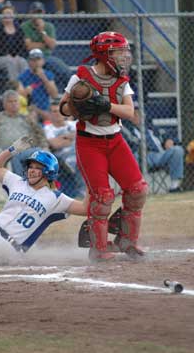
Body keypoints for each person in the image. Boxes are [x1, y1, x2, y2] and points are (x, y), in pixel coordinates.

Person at [59, 31, 148, 262]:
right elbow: (64, 109)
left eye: (123, 52)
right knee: (102, 196)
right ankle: (98, 248)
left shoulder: (122, 81)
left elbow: (129, 112)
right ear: (102, 54)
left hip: (116, 141)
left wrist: (103, 104)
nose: (123, 57)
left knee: (138, 190)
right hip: (90, 143)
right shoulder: (81, 77)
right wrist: (79, 105)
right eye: (117, 52)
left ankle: (127, 240)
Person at [0, 136, 89, 260]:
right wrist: (12, 150)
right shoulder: (17, 181)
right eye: (30, 167)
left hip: (6, 246)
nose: (31, 170)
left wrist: (92, 181)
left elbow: (85, 209)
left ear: (48, 172)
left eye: (37, 168)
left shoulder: (57, 198)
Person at [0, 89, 49, 174]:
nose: (14, 104)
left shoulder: (27, 119)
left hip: (26, 151)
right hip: (3, 152)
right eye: (10, 102)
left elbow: (40, 135)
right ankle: (20, 183)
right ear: (4, 104)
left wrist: (45, 147)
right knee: (14, 154)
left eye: (16, 101)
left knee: (38, 153)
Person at [21, 1, 72, 92]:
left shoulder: (48, 26)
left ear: (43, 13)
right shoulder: (25, 26)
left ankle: (69, 93)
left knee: (65, 70)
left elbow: (52, 45)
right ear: (30, 13)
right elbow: (29, 46)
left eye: (39, 12)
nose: (37, 15)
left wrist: (42, 31)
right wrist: (44, 45)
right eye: (35, 12)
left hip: (46, 57)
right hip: (30, 57)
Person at [121, 119, 184, 193]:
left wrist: (169, 139)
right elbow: (126, 144)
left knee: (177, 150)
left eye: (138, 113)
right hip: (140, 156)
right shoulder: (126, 128)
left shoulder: (150, 127)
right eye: (134, 113)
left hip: (159, 155)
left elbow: (166, 134)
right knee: (133, 156)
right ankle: (135, 189)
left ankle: (174, 186)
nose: (137, 116)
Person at [43, 98, 85, 197]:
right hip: (62, 159)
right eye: (54, 111)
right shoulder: (47, 129)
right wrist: (70, 136)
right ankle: (81, 191)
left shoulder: (74, 124)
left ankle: (84, 191)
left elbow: (83, 135)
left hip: (79, 153)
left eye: (59, 111)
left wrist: (62, 138)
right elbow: (55, 145)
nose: (57, 114)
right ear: (50, 114)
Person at [0, 1, 28, 80]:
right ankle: (15, 87)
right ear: (2, 16)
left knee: (23, 61)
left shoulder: (18, 29)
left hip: (15, 57)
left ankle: (25, 86)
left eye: (10, 13)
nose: (7, 15)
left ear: (13, 16)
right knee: (10, 62)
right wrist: (7, 55)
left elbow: (22, 46)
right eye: (5, 13)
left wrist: (17, 55)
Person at [18, 48, 58, 123]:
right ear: (29, 62)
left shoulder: (48, 75)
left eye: (38, 59)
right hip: (29, 109)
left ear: (43, 61)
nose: (36, 62)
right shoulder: (23, 76)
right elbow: (19, 96)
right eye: (33, 60)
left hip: (45, 108)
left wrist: (44, 78)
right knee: (32, 115)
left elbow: (54, 95)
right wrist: (26, 92)